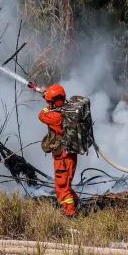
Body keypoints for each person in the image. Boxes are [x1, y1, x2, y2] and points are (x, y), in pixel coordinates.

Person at [36, 83, 78, 217]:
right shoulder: (66, 109)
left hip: (63, 158)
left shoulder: (57, 117)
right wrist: (47, 96)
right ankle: (75, 204)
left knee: (61, 187)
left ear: (56, 102)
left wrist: (47, 103)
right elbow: (53, 106)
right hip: (70, 155)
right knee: (66, 184)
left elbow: (42, 115)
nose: (49, 104)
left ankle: (70, 214)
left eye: (50, 102)